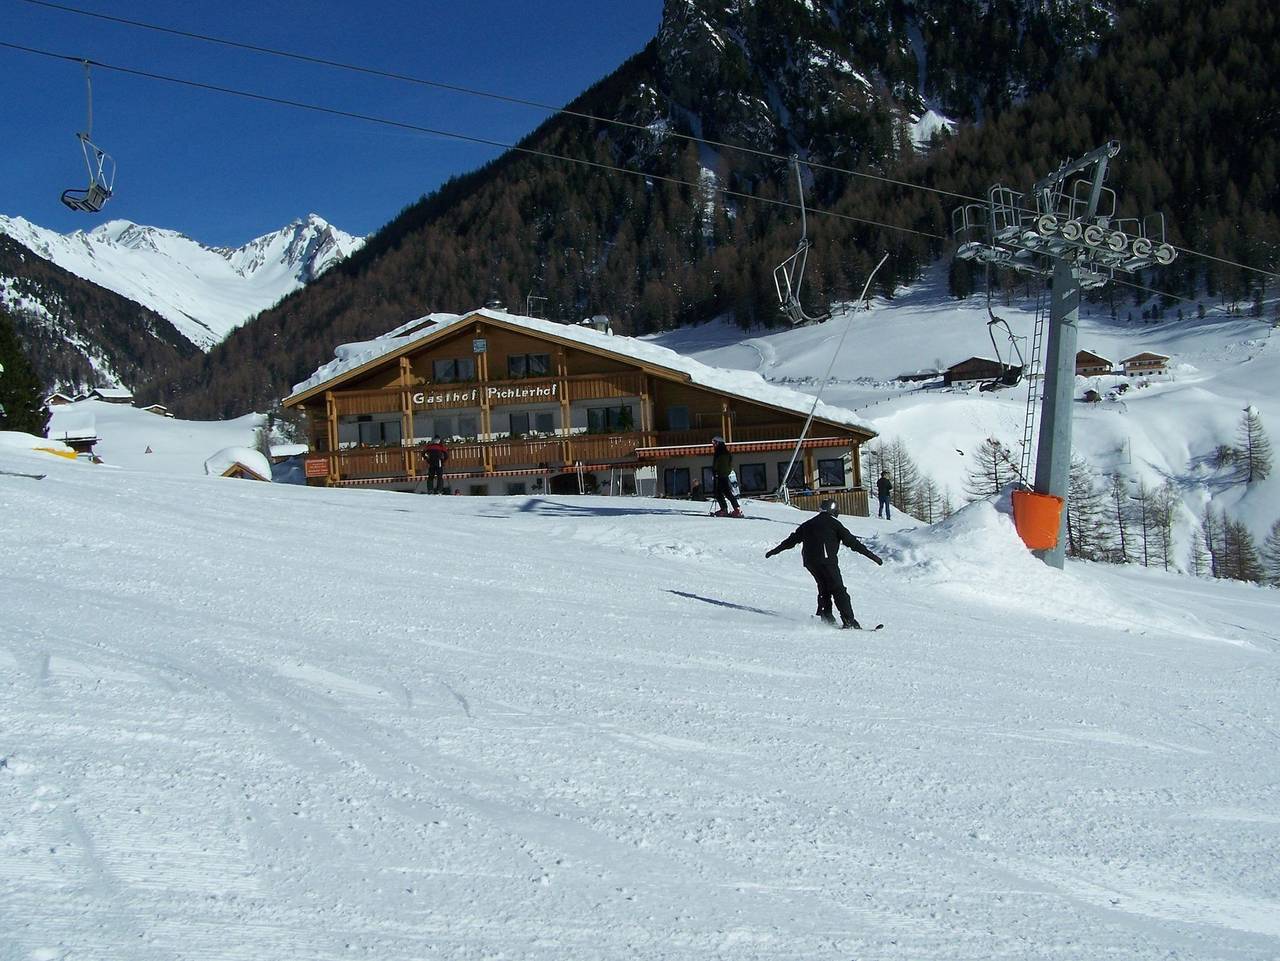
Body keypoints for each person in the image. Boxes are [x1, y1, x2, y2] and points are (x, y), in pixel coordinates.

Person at [764, 498, 883, 629]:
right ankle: (849, 621)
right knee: (838, 590)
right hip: (827, 561)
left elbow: (791, 540)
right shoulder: (834, 524)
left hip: (810, 562)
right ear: (833, 510)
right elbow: (853, 543)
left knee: (824, 587)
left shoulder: (808, 524)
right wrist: (873, 557)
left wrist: (774, 551)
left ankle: (826, 616)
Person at [710, 435, 742, 517]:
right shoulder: (727, 453)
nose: (713, 445)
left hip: (719, 475)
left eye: (714, 443)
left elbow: (716, 464)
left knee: (718, 493)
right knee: (727, 493)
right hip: (725, 475)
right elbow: (730, 465)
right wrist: (726, 472)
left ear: (718, 443)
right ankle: (736, 509)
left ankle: (724, 509)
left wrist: (715, 472)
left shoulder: (718, 453)